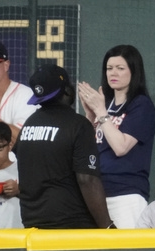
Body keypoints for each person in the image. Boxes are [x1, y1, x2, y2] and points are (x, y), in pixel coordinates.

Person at [14, 64, 112, 229]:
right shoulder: (78, 125)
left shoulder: (28, 125)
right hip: (71, 226)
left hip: (32, 225)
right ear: (67, 91)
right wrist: (107, 227)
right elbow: (87, 179)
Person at [77, 45, 155, 228]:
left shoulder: (141, 105)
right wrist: (91, 117)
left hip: (126, 194)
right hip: (96, 193)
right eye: (109, 68)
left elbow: (121, 147)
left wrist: (100, 112)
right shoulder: (104, 103)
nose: (113, 73)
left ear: (133, 71)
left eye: (120, 68)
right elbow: (88, 147)